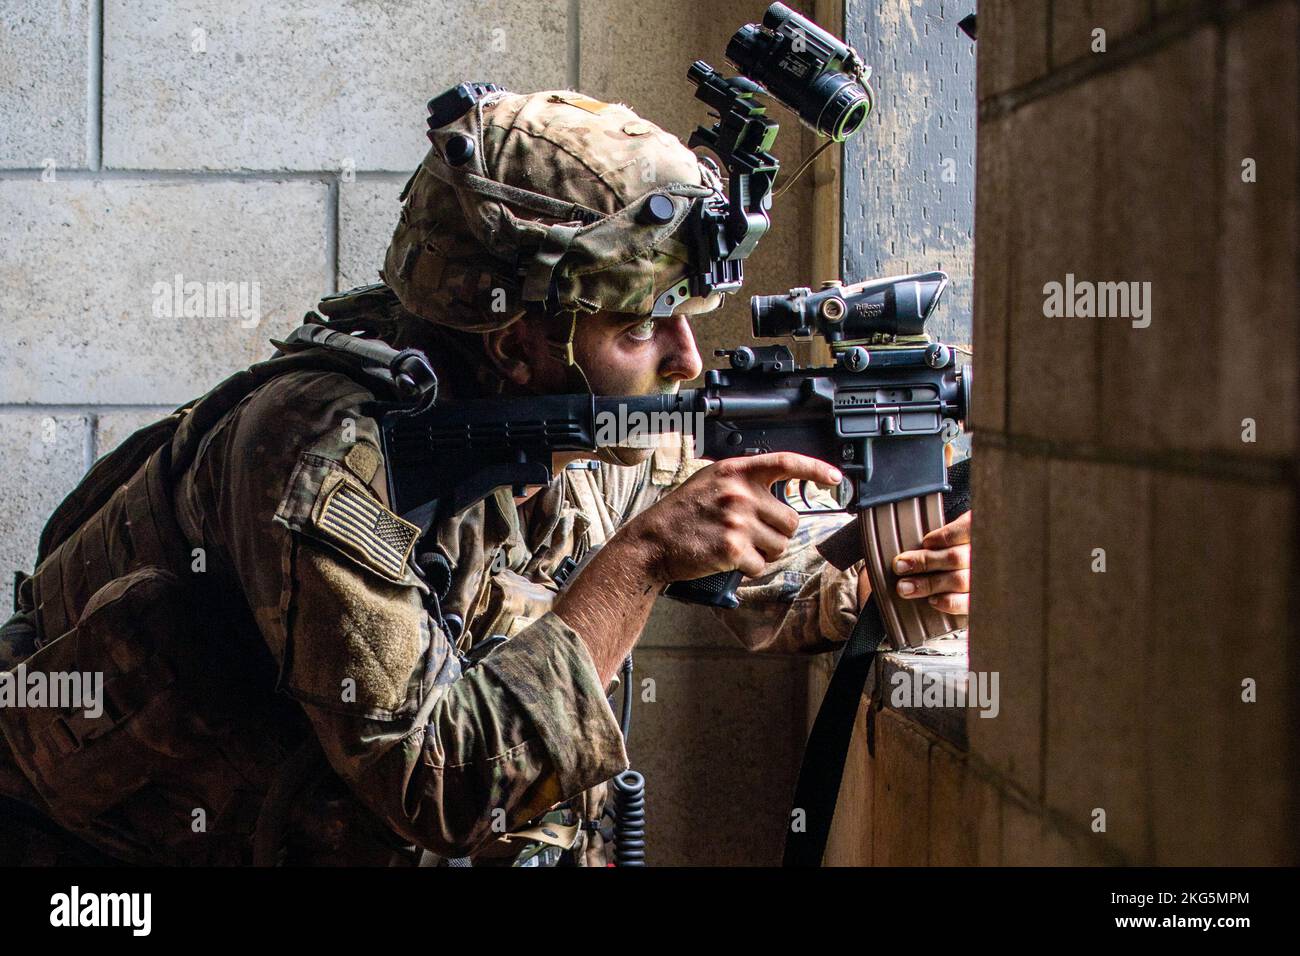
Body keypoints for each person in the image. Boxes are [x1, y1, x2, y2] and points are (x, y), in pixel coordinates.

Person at [0, 87, 971, 866]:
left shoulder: (576, 414)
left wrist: (887, 562)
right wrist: (638, 561)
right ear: (518, 341)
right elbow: (443, 785)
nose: (685, 356)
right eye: (643, 324)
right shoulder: (323, 462)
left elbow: (754, 562)